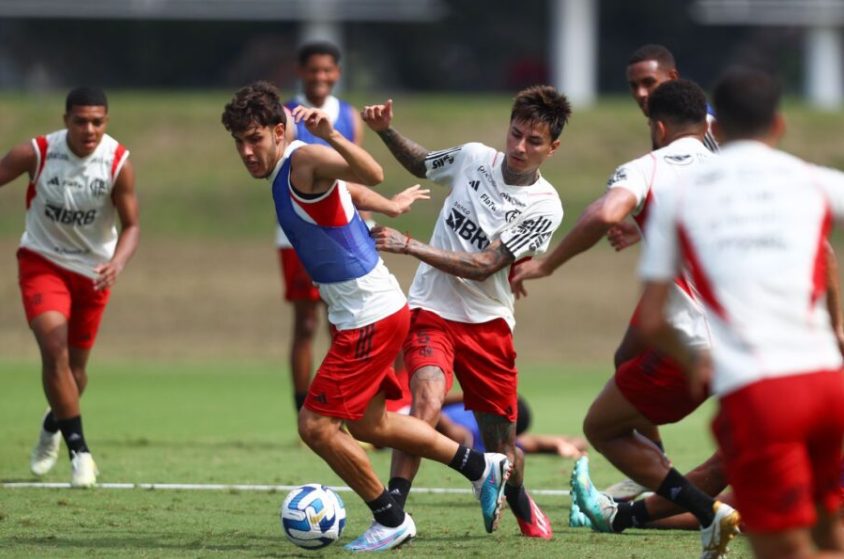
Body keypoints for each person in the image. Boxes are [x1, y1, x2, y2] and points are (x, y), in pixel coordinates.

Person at [221, 81, 513, 552]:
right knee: (368, 424)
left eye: (255, 139)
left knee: (315, 427)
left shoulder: (302, 159)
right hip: (367, 310)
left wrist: (334, 138)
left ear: (279, 131)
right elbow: (352, 190)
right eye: (239, 142)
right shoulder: (287, 170)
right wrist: (391, 205)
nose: (247, 151)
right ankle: (482, 468)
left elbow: (370, 171)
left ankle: (390, 518)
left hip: (367, 316)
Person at [510, 79, 739, 558]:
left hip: (697, 341)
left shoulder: (647, 167)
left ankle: (707, 512)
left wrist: (548, 264)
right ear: (707, 124)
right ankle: (703, 509)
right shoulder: (737, 168)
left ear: (657, 126)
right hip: (762, 339)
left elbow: (603, 213)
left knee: (603, 427)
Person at [637, 66, 844, 559]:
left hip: (760, 392)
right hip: (828, 386)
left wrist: (696, 362)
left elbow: (651, 320)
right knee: (831, 535)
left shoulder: (681, 197)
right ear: (779, 126)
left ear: (716, 128)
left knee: (784, 548)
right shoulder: (815, 181)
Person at [362, 85, 570, 540]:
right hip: (431, 307)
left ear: (552, 148)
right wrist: (386, 132)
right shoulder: (475, 157)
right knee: (426, 401)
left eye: (534, 142)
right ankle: (393, 507)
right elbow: (424, 163)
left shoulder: (545, 206)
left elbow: (485, 267)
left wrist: (409, 244)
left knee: (503, 447)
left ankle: (516, 495)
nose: (519, 147)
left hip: (489, 324)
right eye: (515, 134)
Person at [0, 87, 140, 487]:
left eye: (97, 121)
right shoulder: (38, 152)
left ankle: (52, 425)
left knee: (76, 372)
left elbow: (132, 226)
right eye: (80, 121)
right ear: (66, 121)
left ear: (106, 122)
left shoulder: (117, 162)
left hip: (93, 272)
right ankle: (81, 452)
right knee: (53, 347)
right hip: (43, 262)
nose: (89, 129)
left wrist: (117, 262)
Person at [276, 41, 369, 413]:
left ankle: (339, 407)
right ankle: (303, 408)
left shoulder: (348, 116)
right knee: (306, 324)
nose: (320, 77)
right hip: (296, 236)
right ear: (301, 71)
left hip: (339, 232)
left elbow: (358, 171)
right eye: (313, 70)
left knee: (344, 324)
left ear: (337, 73)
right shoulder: (284, 115)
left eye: (327, 70)